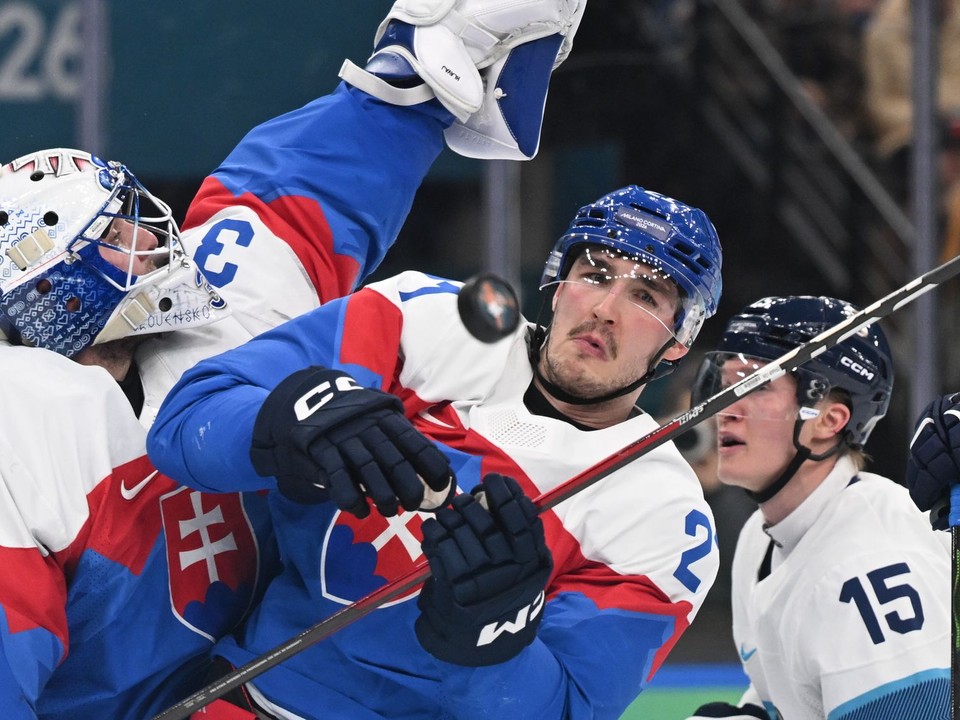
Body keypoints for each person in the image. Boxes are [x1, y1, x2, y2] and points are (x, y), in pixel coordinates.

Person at [0, 1, 586, 718]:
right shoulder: (22, 428)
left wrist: (419, 75)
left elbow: (298, 195)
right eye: (120, 234)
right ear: (62, 295)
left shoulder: (217, 305)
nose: (156, 237)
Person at [146, 184, 725, 719]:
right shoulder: (435, 323)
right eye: (594, 274)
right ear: (559, 281)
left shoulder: (665, 514)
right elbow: (184, 423)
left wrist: (491, 640)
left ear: (678, 342)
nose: (605, 308)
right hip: (240, 696)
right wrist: (288, 421)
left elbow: (565, 709)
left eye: (645, 296)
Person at [685, 296, 950, 720]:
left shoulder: (867, 564)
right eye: (725, 384)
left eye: (755, 385)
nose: (724, 410)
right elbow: (793, 695)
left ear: (829, 420)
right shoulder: (765, 534)